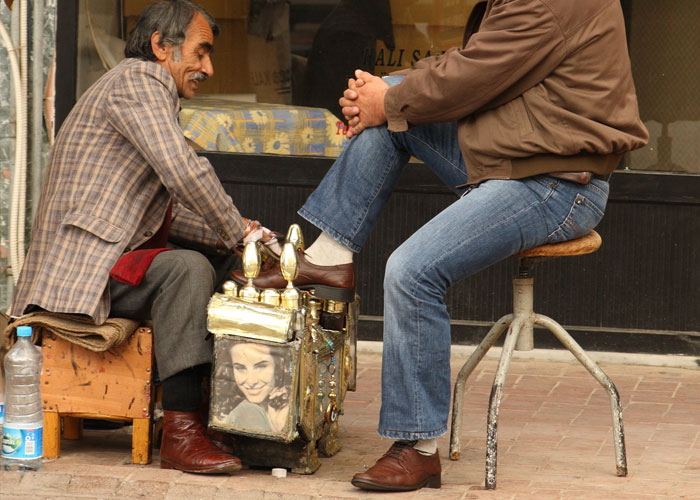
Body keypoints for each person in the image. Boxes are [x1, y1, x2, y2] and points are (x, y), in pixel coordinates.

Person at [233, 0, 649, 491]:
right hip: (518, 151)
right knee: (389, 109)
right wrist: (381, 95)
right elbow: (468, 59)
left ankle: (418, 448)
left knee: (412, 271)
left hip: (557, 182)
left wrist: (386, 100)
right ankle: (329, 257)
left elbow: (472, 75)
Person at [10, 0, 275, 474]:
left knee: (218, 262)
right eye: (201, 52)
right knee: (187, 270)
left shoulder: (140, 88)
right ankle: (181, 431)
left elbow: (162, 219)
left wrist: (244, 240)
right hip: (81, 272)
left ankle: (212, 413)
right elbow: (185, 175)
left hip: (107, 257)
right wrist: (237, 232)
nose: (208, 68)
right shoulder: (139, 81)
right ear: (160, 46)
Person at [224, 341, 291, 434]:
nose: (251, 381)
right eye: (240, 368)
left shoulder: (281, 405)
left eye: (261, 367)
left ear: (278, 366)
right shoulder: (246, 412)